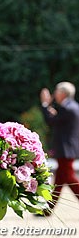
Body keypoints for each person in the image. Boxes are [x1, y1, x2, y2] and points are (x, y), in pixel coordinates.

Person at [40, 81, 79, 214]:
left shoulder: (67, 108)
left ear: (63, 93)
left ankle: (47, 209)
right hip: (67, 149)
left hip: (66, 150)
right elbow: (59, 120)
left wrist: (45, 104)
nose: (54, 94)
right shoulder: (71, 106)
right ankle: (48, 209)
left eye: (56, 91)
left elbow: (51, 121)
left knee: (70, 179)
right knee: (60, 181)